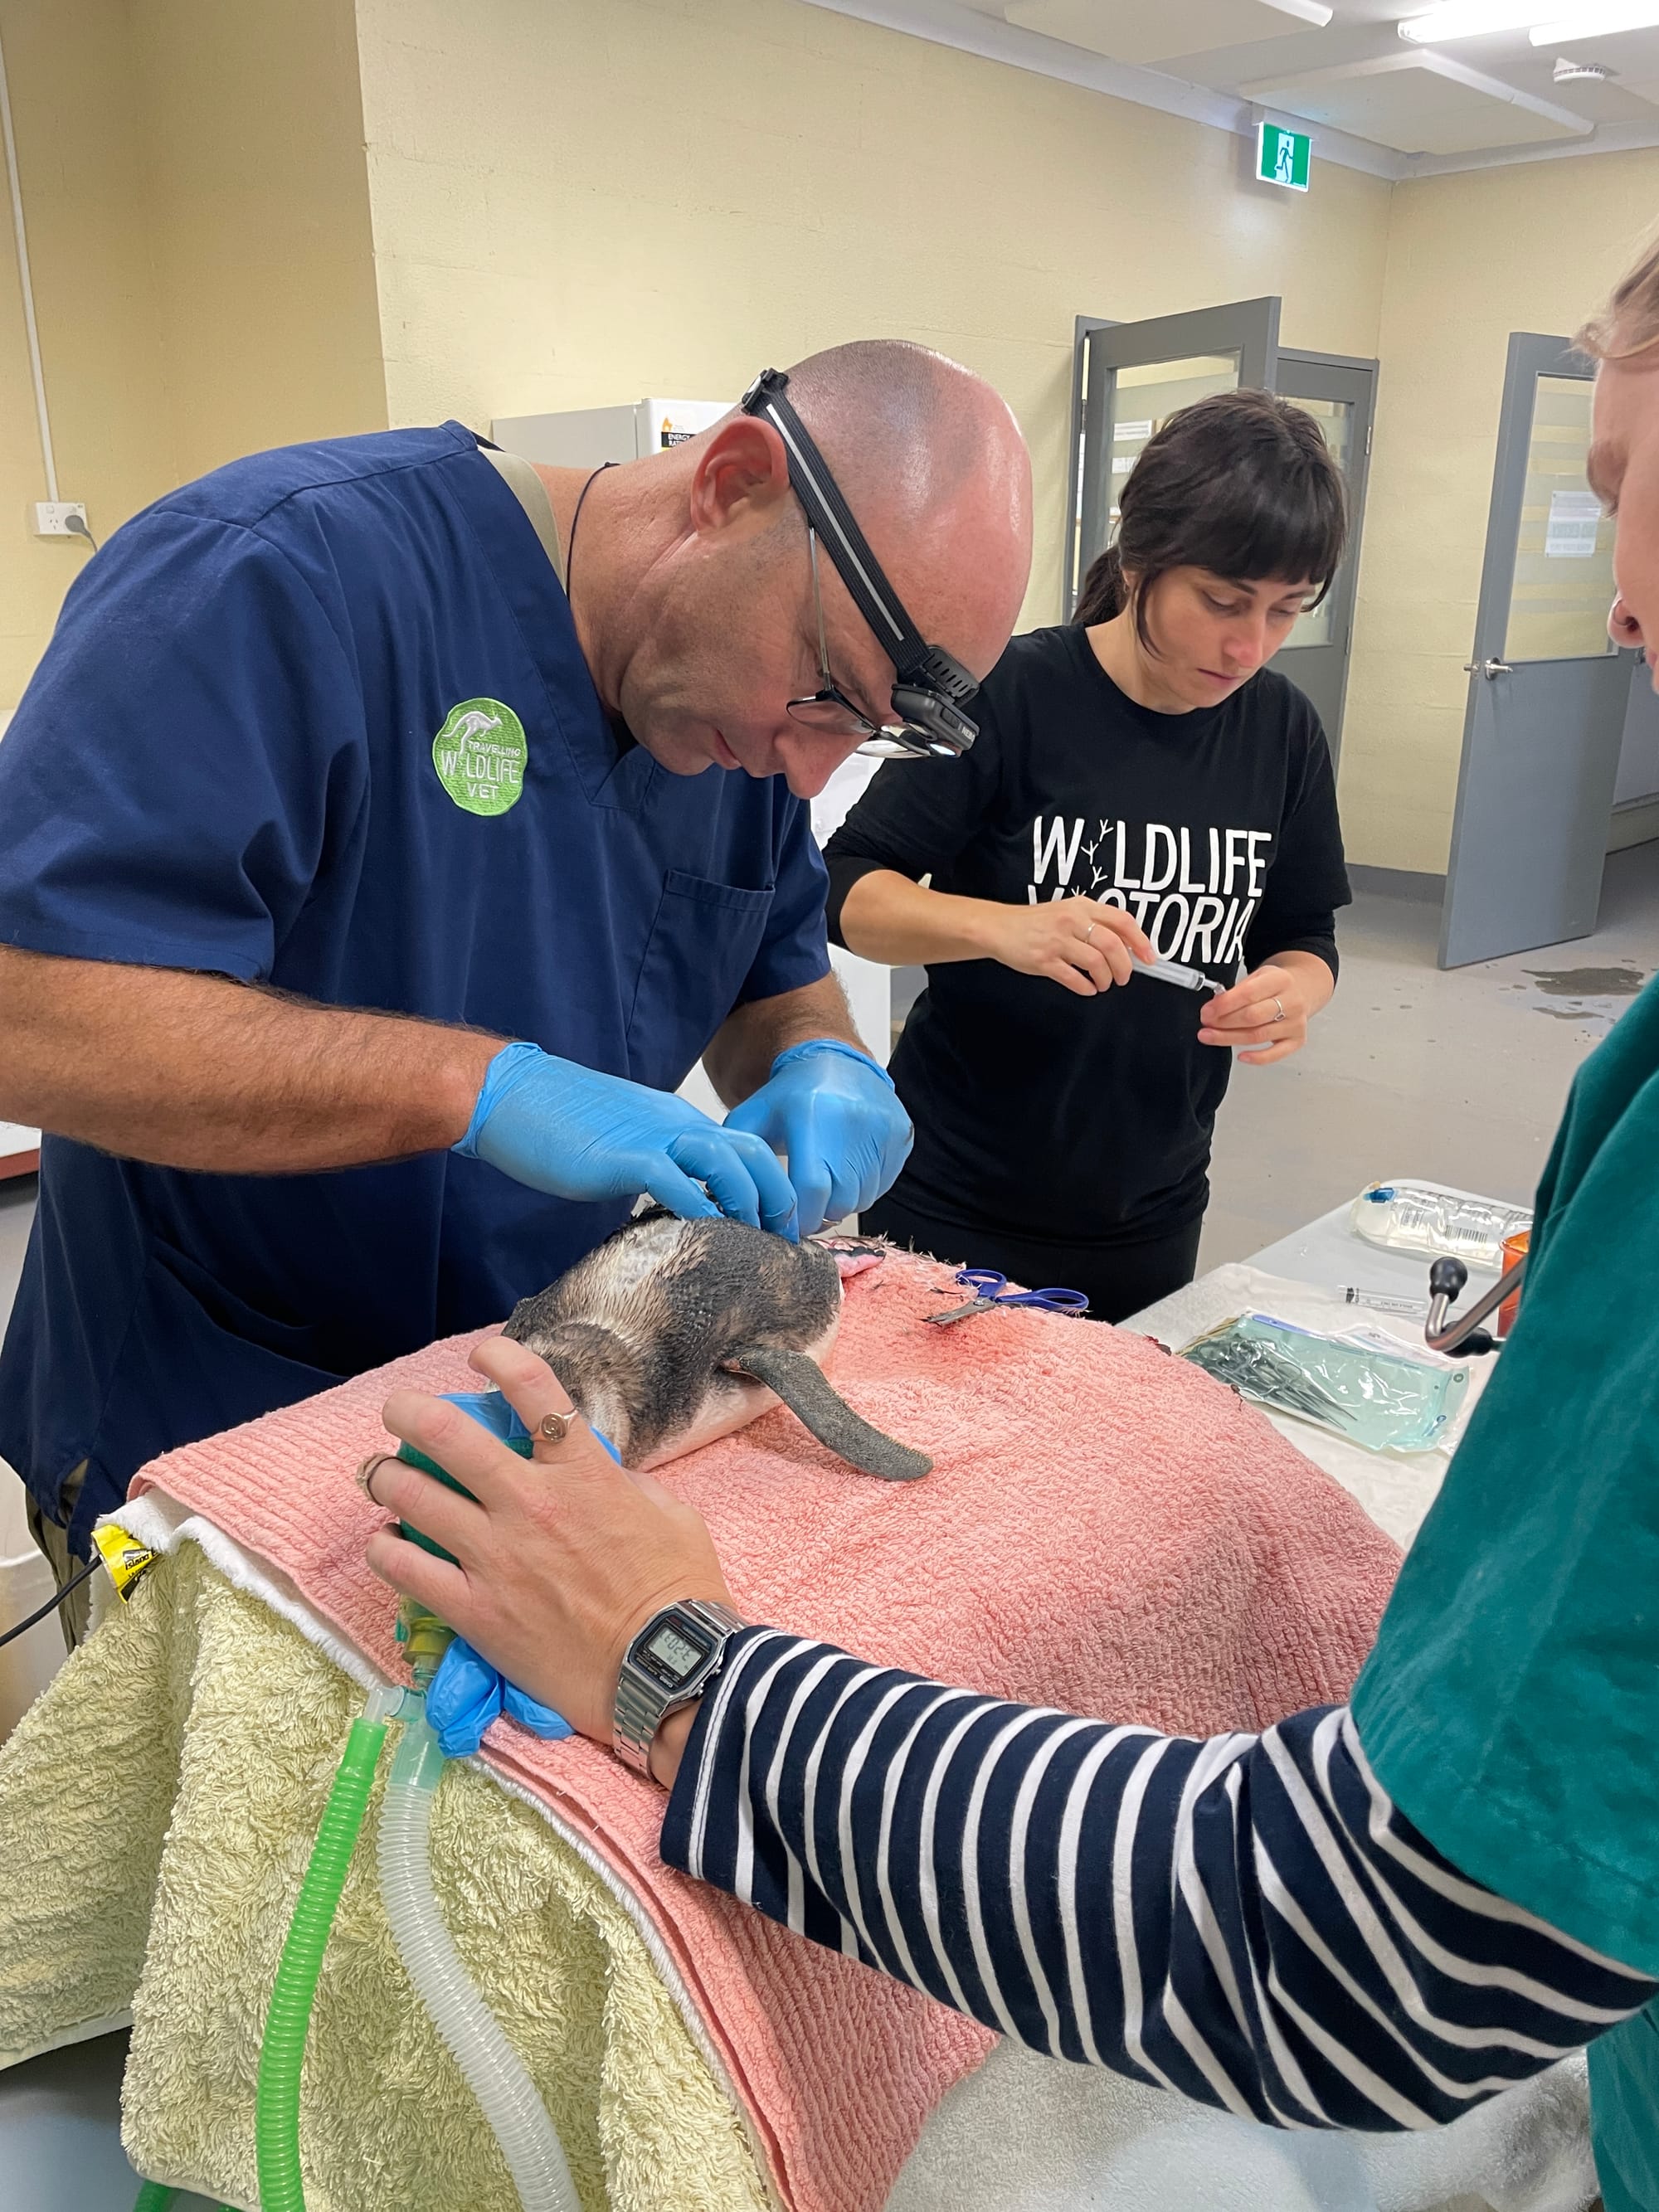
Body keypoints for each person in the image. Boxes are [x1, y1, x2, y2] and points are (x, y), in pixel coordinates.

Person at [364, 246, 1659, 2203]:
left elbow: (1369, 1943)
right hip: (935, 1209)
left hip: (1134, 1220)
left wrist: (669, 1659)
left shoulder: (1266, 744)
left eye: (1619, 486)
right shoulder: (327, 580)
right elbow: (833, 905)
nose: (1613, 579)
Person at [0, 342, 1033, 1640]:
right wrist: (472, 1085)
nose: (805, 763)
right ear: (730, 481)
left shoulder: (745, 730)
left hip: (531, 1431)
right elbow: (26, 1014)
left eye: (858, 731)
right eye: (822, 685)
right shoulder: (277, 573)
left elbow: (774, 974)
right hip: (210, 1417)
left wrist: (820, 1065)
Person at [825, 389, 1350, 1321]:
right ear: (1142, 558)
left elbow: (1302, 932)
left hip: (1149, 1205)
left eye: (1284, 611)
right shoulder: (1016, 693)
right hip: (956, 1194)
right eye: (1222, 602)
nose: (1247, 646)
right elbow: (846, 890)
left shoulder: (1282, 731)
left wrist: (1292, 993)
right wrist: (1005, 929)